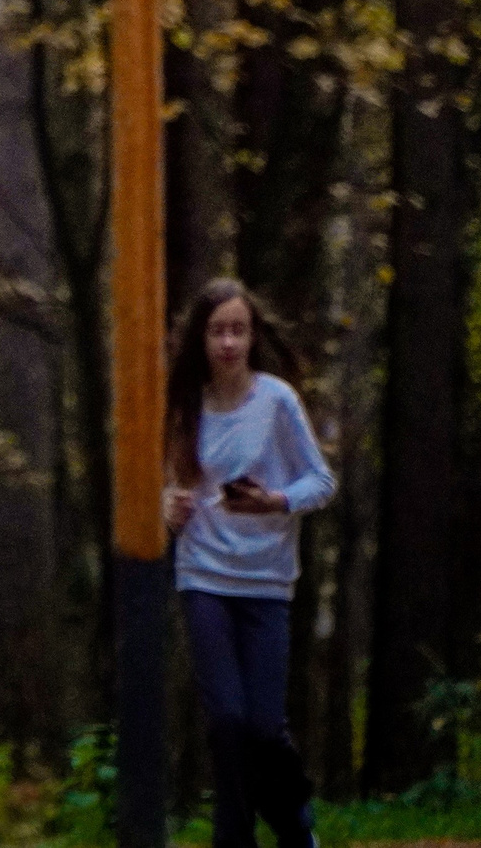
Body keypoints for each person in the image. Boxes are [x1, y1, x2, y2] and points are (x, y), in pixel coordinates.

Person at [163, 279, 334, 848]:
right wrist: (167, 505)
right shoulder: (183, 404)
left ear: (253, 336)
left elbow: (322, 481)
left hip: (266, 581)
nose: (229, 343)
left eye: (239, 330)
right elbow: (159, 485)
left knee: (263, 726)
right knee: (227, 722)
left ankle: (295, 827)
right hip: (203, 576)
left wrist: (277, 501)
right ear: (201, 338)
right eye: (218, 331)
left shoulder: (276, 401)